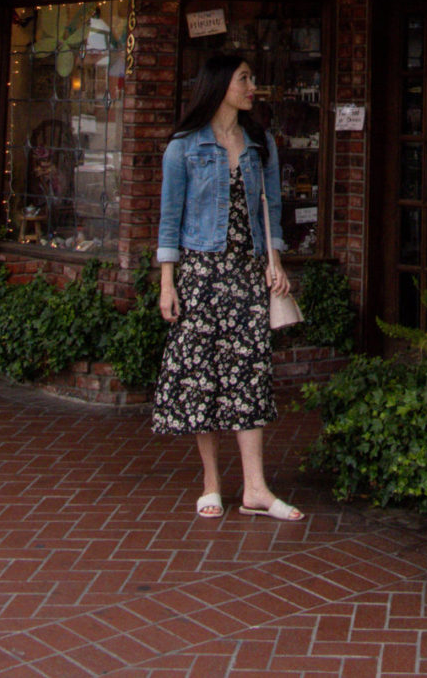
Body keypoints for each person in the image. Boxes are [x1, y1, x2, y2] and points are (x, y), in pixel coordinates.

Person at [152, 50, 304, 521]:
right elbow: (168, 221)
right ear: (220, 85)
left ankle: (256, 488)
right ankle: (211, 483)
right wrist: (167, 283)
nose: (251, 86)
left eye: (252, 78)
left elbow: (271, 206)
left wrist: (274, 260)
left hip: (247, 274)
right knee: (203, 378)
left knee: (250, 375)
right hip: (200, 274)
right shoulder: (183, 147)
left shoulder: (260, 143)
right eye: (244, 78)